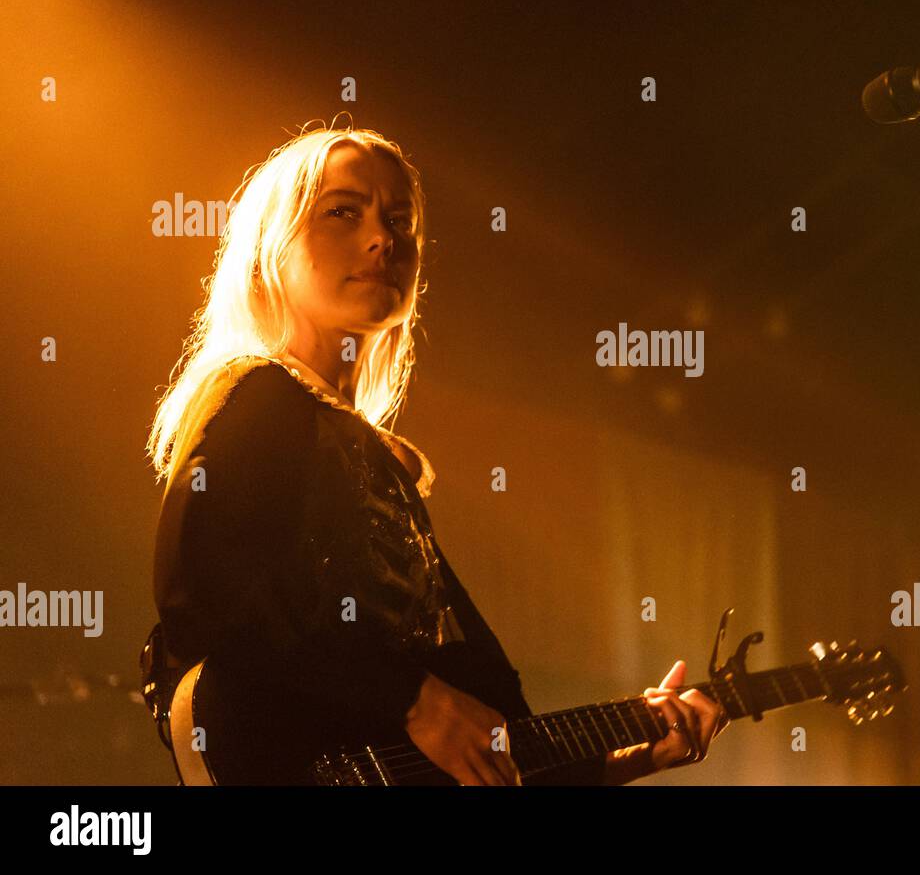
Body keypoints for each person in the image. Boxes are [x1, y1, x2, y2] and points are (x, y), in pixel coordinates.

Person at [144, 121, 728, 785]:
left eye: (400, 221)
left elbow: (481, 746)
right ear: (267, 249)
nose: (382, 239)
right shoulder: (261, 396)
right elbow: (204, 590)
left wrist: (631, 754)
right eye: (343, 211)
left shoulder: (374, 455)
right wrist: (415, 699)